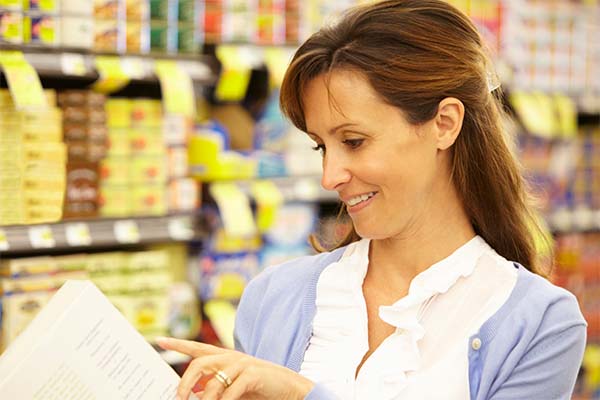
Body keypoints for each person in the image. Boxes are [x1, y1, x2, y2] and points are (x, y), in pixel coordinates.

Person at [157, 1, 587, 399]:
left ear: (444, 123)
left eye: (354, 141)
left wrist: (299, 393)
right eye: (321, 146)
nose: (330, 177)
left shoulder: (539, 325)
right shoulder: (272, 297)